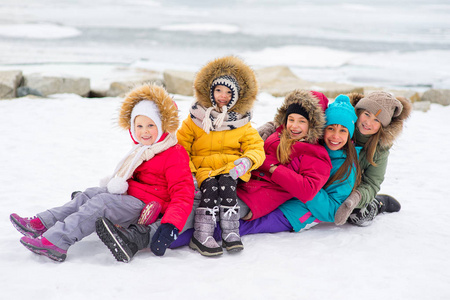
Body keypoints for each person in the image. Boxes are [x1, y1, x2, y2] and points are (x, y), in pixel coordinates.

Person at [10, 84, 194, 262]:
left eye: (150, 126)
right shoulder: (141, 150)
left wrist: (171, 224)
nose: (144, 132)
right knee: (88, 194)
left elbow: (183, 194)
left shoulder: (173, 153)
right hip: (131, 195)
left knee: (101, 203)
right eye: (139, 126)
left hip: (148, 205)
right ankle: (43, 223)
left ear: (162, 126)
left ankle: (57, 242)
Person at [172, 93, 361, 241]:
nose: (335, 136)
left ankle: (168, 235)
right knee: (206, 203)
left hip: (291, 211)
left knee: (226, 227)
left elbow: (319, 199)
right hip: (257, 191)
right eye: (331, 129)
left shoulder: (339, 162)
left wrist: (285, 177)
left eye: (343, 131)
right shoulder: (287, 136)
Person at [176, 55, 265, 256]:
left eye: (228, 92)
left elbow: (256, 146)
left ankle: (231, 231)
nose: (222, 96)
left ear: (235, 96)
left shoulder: (242, 123)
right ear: (211, 91)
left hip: (230, 168)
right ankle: (202, 234)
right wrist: (189, 172)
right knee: (210, 188)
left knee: (227, 184)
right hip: (203, 168)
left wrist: (247, 161)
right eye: (218, 90)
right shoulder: (196, 119)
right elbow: (181, 147)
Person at [236, 89, 332, 222]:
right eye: (291, 119)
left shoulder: (315, 153)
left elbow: (308, 190)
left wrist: (272, 168)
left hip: (255, 197)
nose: (294, 126)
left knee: (211, 213)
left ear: (313, 124)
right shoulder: (276, 133)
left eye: (302, 121)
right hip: (238, 180)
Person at [334, 91, 412, 226]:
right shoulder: (339, 128)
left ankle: (378, 203)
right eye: (367, 114)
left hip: (354, 189)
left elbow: (372, 182)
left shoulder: (380, 149)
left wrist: (355, 198)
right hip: (331, 181)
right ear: (358, 111)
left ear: (382, 125)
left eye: (377, 120)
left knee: (358, 216)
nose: (368, 123)